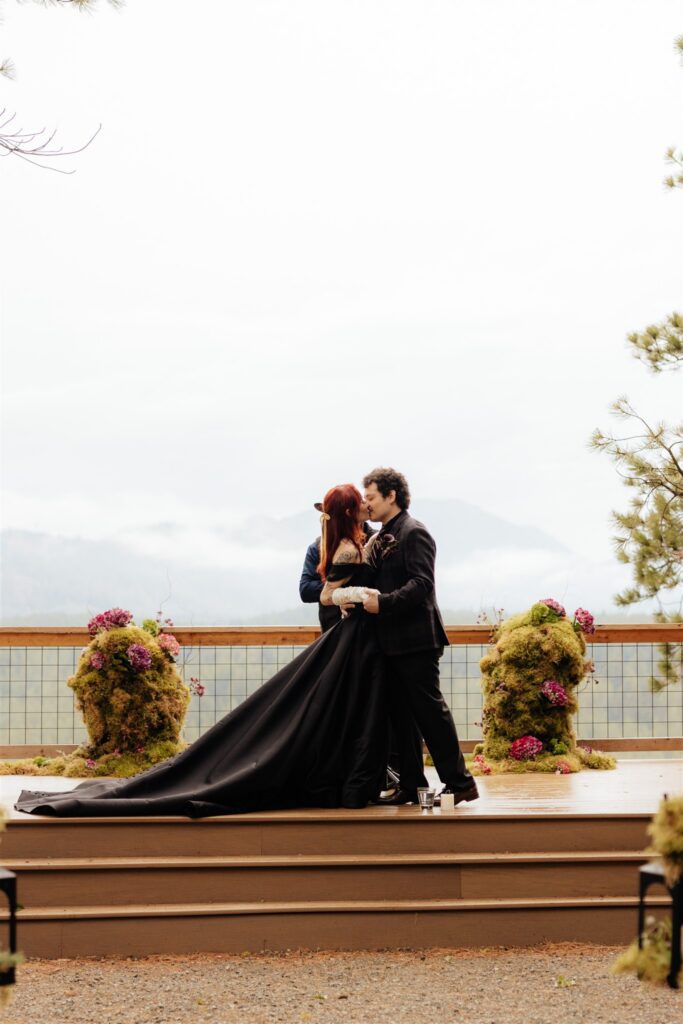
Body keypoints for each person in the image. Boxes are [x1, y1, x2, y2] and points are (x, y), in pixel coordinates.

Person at [16, 485, 389, 818]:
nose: (365, 508)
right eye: (361, 503)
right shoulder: (334, 547)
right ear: (348, 511)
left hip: (349, 637)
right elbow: (321, 592)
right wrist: (358, 596)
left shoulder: (355, 540)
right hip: (346, 635)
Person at [359, 467, 478, 807]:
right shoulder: (381, 536)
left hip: (416, 640)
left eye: (371, 497)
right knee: (400, 716)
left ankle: (460, 782)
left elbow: (421, 584)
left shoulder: (414, 532)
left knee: (430, 713)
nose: (367, 504)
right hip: (390, 643)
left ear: (391, 495)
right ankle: (411, 785)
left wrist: (382, 603)